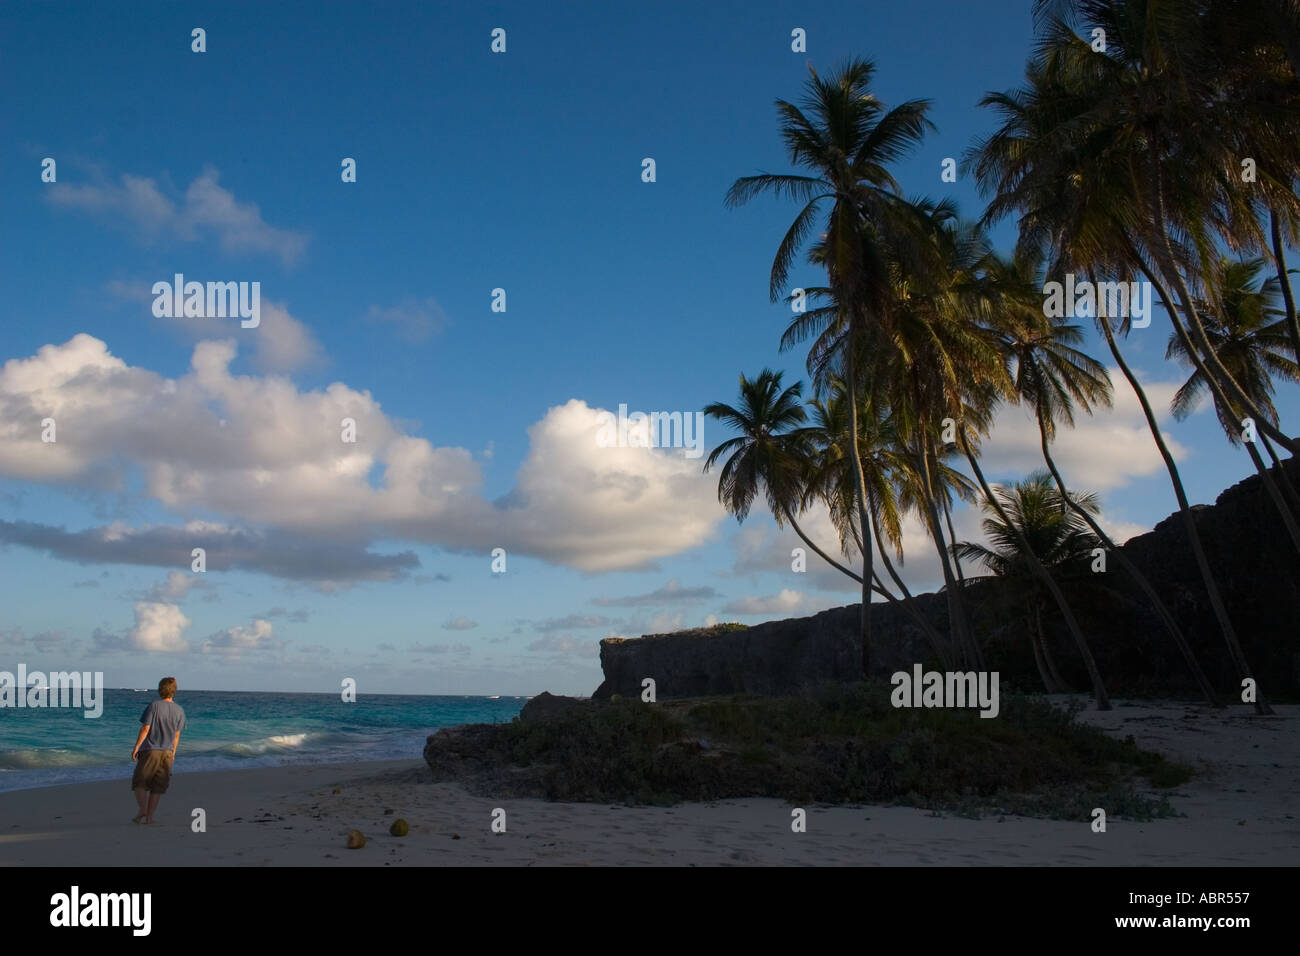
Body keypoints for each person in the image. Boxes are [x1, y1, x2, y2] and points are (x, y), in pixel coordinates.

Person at [130, 677, 186, 824]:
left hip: (151, 750)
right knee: (157, 787)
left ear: (160, 689)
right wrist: (173, 752)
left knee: (139, 782)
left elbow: (145, 728)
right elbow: (177, 735)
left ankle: (143, 809)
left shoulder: (154, 706)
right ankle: (149, 818)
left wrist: (136, 747)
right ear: (174, 691)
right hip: (167, 752)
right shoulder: (179, 710)